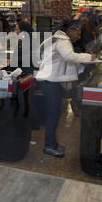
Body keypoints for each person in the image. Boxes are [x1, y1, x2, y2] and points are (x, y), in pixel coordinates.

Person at [36, 19, 96, 158]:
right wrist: (89, 57)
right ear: (70, 29)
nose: (79, 36)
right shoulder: (63, 40)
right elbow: (69, 57)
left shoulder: (55, 38)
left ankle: (52, 143)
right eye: (78, 32)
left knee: (55, 114)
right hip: (49, 81)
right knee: (53, 114)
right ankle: (49, 146)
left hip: (49, 79)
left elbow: (44, 52)